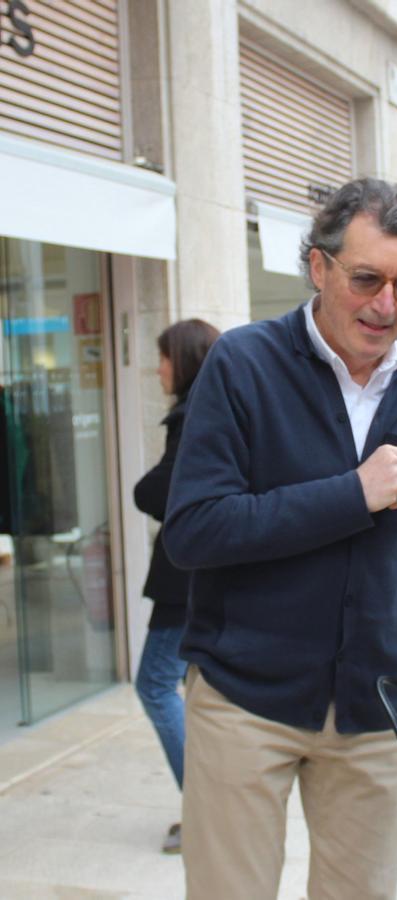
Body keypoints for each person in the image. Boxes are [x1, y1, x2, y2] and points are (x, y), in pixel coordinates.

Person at [162, 178, 397, 900]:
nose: (385, 306)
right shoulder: (242, 364)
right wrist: (353, 492)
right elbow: (194, 529)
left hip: (373, 700)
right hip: (244, 701)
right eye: (366, 279)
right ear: (317, 266)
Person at [132, 317, 219, 855]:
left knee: (154, 684)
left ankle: (204, 815)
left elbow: (159, 491)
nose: (157, 368)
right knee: (197, 693)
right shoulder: (208, 411)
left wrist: (146, 488)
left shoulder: (190, 418)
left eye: (163, 357)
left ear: (183, 361)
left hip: (183, 579)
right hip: (199, 575)